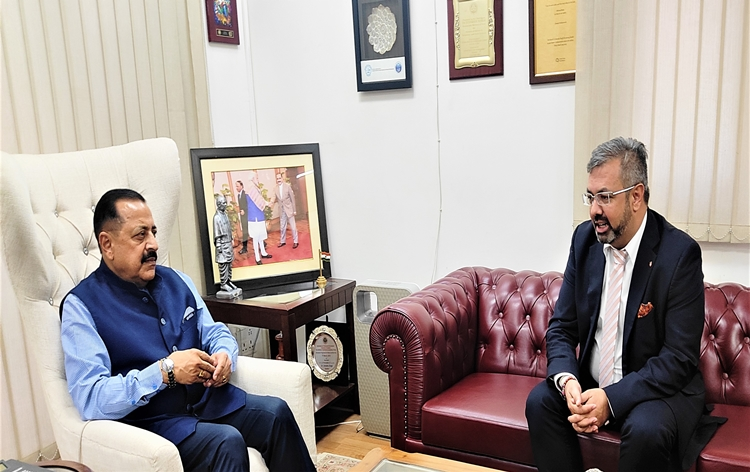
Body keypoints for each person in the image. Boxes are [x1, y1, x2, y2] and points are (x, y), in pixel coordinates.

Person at [60, 189, 315, 472]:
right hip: (154, 424)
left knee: (276, 413)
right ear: (107, 244)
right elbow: (91, 398)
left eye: (153, 232)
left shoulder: (177, 280)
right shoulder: (81, 306)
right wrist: (165, 372)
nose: (153, 244)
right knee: (226, 442)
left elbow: (214, 331)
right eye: (140, 235)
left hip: (211, 403)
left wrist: (223, 354)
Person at [525, 137, 720, 471]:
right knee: (541, 401)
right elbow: (561, 328)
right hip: (592, 383)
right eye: (590, 196)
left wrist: (611, 400)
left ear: (636, 196)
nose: (594, 210)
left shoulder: (678, 254)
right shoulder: (584, 240)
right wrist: (568, 381)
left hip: (655, 391)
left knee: (647, 429)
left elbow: (678, 359)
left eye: (605, 197)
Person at [213, 194, 241, 298]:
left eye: (225, 202)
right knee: (223, 265)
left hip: (228, 244)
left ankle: (229, 281)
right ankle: (223, 283)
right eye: (223, 203)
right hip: (222, 245)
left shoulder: (225, 214)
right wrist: (219, 246)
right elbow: (217, 234)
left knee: (229, 265)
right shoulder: (216, 218)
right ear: (219, 204)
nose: (225, 204)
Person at [245, 171, 272, 265]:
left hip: (259, 215)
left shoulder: (254, 188)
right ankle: (257, 257)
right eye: (256, 177)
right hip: (254, 217)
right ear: (252, 179)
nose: (257, 179)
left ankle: (263, 253)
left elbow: (260, 200)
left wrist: (267, 203)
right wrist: (268, 203)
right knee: (256, 238)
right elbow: (259, 201)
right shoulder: (251, 188)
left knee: (261, 236)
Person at [270, 172, 298, 249]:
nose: (278, 180)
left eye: (279, 178)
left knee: (293, 226)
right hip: (282, 210)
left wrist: (294, 210)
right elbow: (273, 197)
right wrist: (271, 202)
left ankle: (295, 241)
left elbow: (292, 198)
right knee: (282, 226)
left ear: (282, 179)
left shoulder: (287, 186)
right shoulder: (275, 188)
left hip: (289, 209)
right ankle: (282, 241)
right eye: (277, 178)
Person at [235, 180, 249, 255]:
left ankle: (244, 248)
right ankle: (245, 248)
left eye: (237, 186)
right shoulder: (238, 195)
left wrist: (245, 211)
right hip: (243, 217)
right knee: (245, 232)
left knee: (249, 232)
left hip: (248, 216)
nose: (236, 188)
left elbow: (248, 205)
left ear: (241, 186)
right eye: (236, 186)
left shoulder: (245, 194)